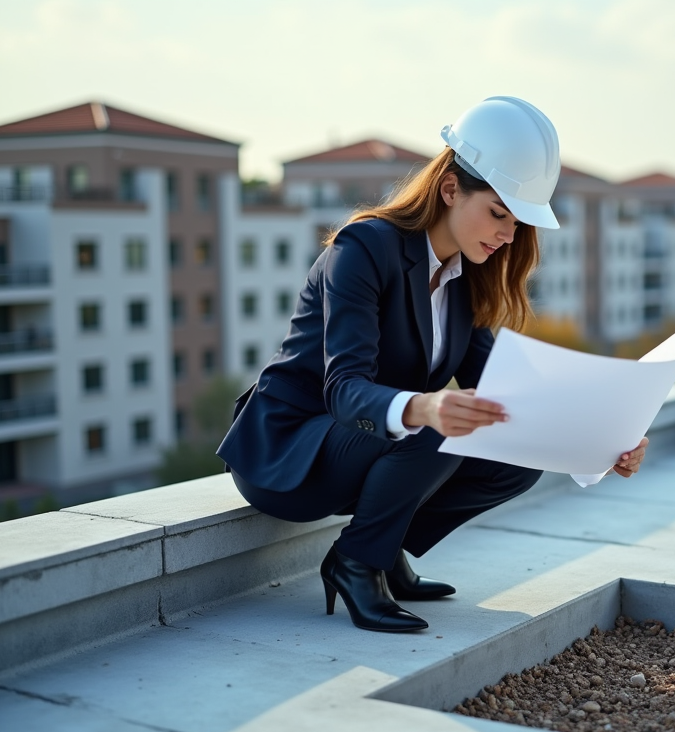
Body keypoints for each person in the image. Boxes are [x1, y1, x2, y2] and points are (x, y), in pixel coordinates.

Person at [218, 97, 648, 634]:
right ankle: (357, 563)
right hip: (288, 451)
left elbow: (505, 395)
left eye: (519, 224)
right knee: (441, 428)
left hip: (364, 442)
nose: (509, 236)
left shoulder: (464, 280)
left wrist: (601, 445)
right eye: (498, 213)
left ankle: (384, 542)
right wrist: (426, 406)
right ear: (450, 189)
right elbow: (345, 390)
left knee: (515, 459)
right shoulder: (363, 248)